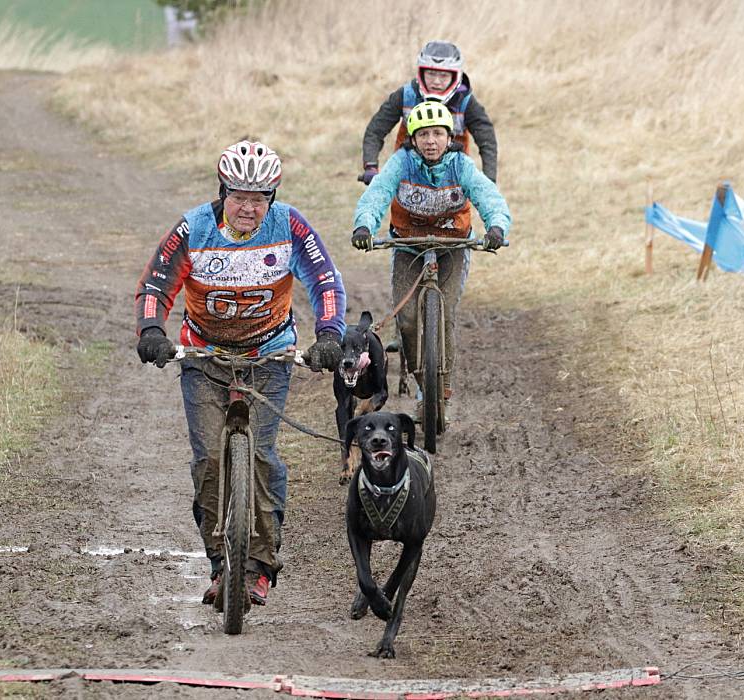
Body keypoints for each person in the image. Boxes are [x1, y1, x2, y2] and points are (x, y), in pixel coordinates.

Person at [135, 140, 345, 608]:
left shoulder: (289, 225)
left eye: (260, 198)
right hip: (203, 354)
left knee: (264, 456)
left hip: (270, 354)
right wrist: (152, 328)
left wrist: (330, 334)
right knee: (209, 458)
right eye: (240, 197)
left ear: (272, 197)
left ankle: (261, 567)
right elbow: (156, 283)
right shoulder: (194, 227)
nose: (249, 207)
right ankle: (218, 564)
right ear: (222, 191)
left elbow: (325, 280)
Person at [351, 101, 510, 423]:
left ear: (449, 136)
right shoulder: (402, 162)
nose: (431, 141)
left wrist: (496, 227)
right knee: (407, 320)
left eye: (438, 133)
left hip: (453, 246)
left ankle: (443, 389)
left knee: (446, 313)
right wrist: (364, 225)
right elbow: (378, 192)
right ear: (412, 137)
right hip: (408, 245)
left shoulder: (460, 165)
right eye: (423, 134)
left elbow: (487, 194)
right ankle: (420, 378)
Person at [359, 40, 498, 186]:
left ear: (455, 76)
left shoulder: (466, 102)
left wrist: (489, 180)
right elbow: (376, 130)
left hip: (454, 181)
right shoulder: (405, 96)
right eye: (431, 74)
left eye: (444, 75)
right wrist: (371, 166)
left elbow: (487, 141)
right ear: (421, 73)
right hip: (408, 177)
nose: (436, 81)